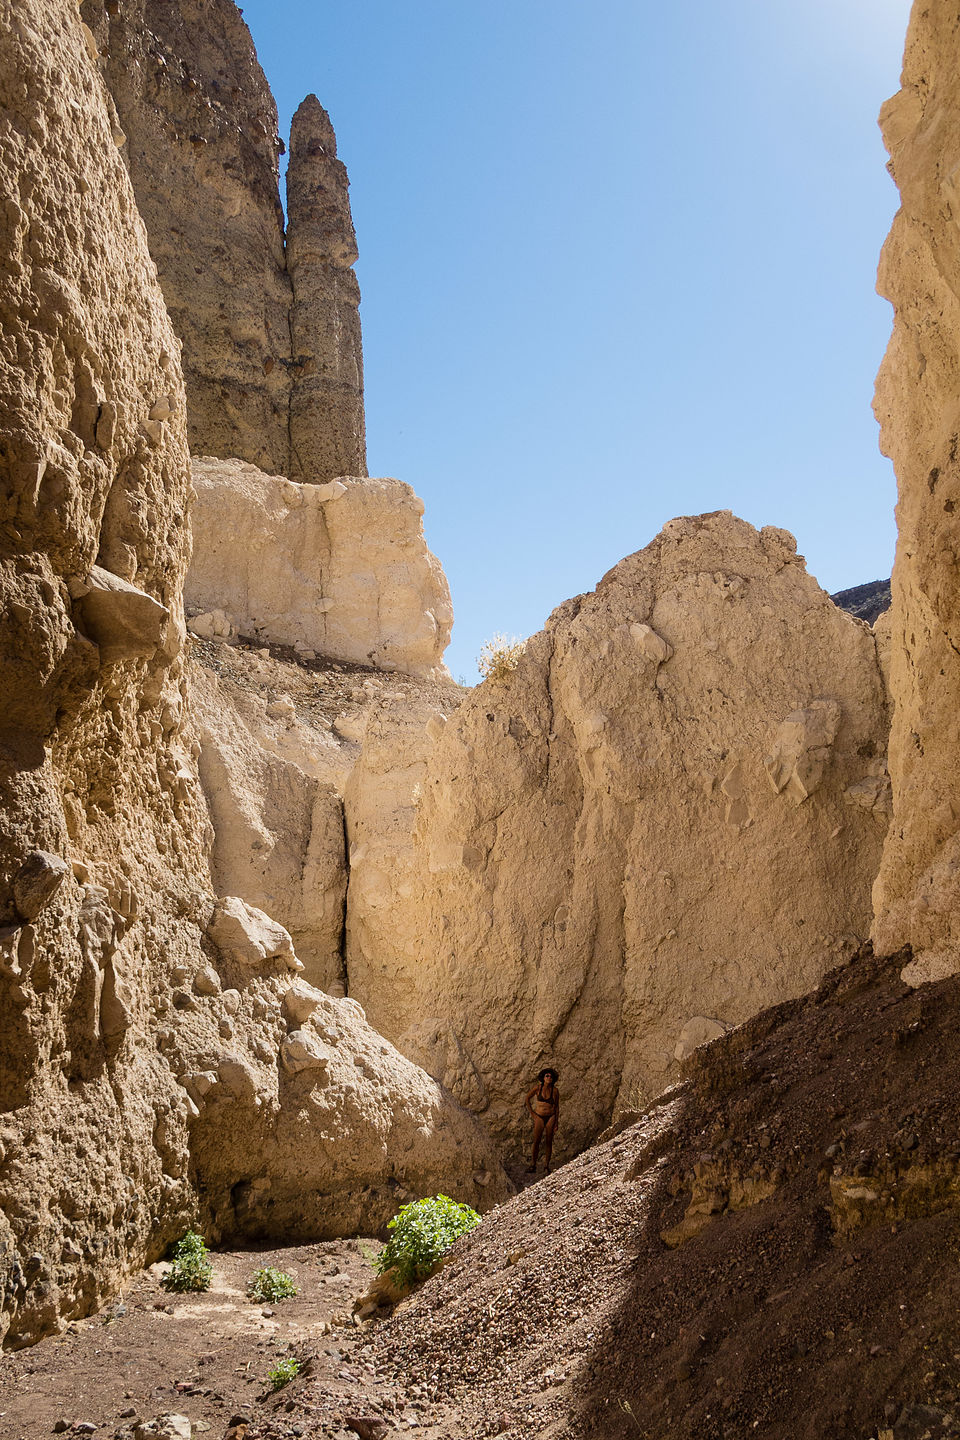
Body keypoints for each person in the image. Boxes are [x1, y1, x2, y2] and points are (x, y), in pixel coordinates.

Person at [525, 1067, 560, 1174]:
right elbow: (527, 1098)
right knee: (537, 1141)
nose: (549, 1077)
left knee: (549, 1141)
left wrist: (556, 1122)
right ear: (543, 1078)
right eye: (547, 1076)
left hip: (551, 1116)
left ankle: (546, 1166)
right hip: (539, 1116)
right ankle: (533, 1165)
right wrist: (532, 1114)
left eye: (551, 1076)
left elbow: (557, 1106)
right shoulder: (538, 1088)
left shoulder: (555, 1091)